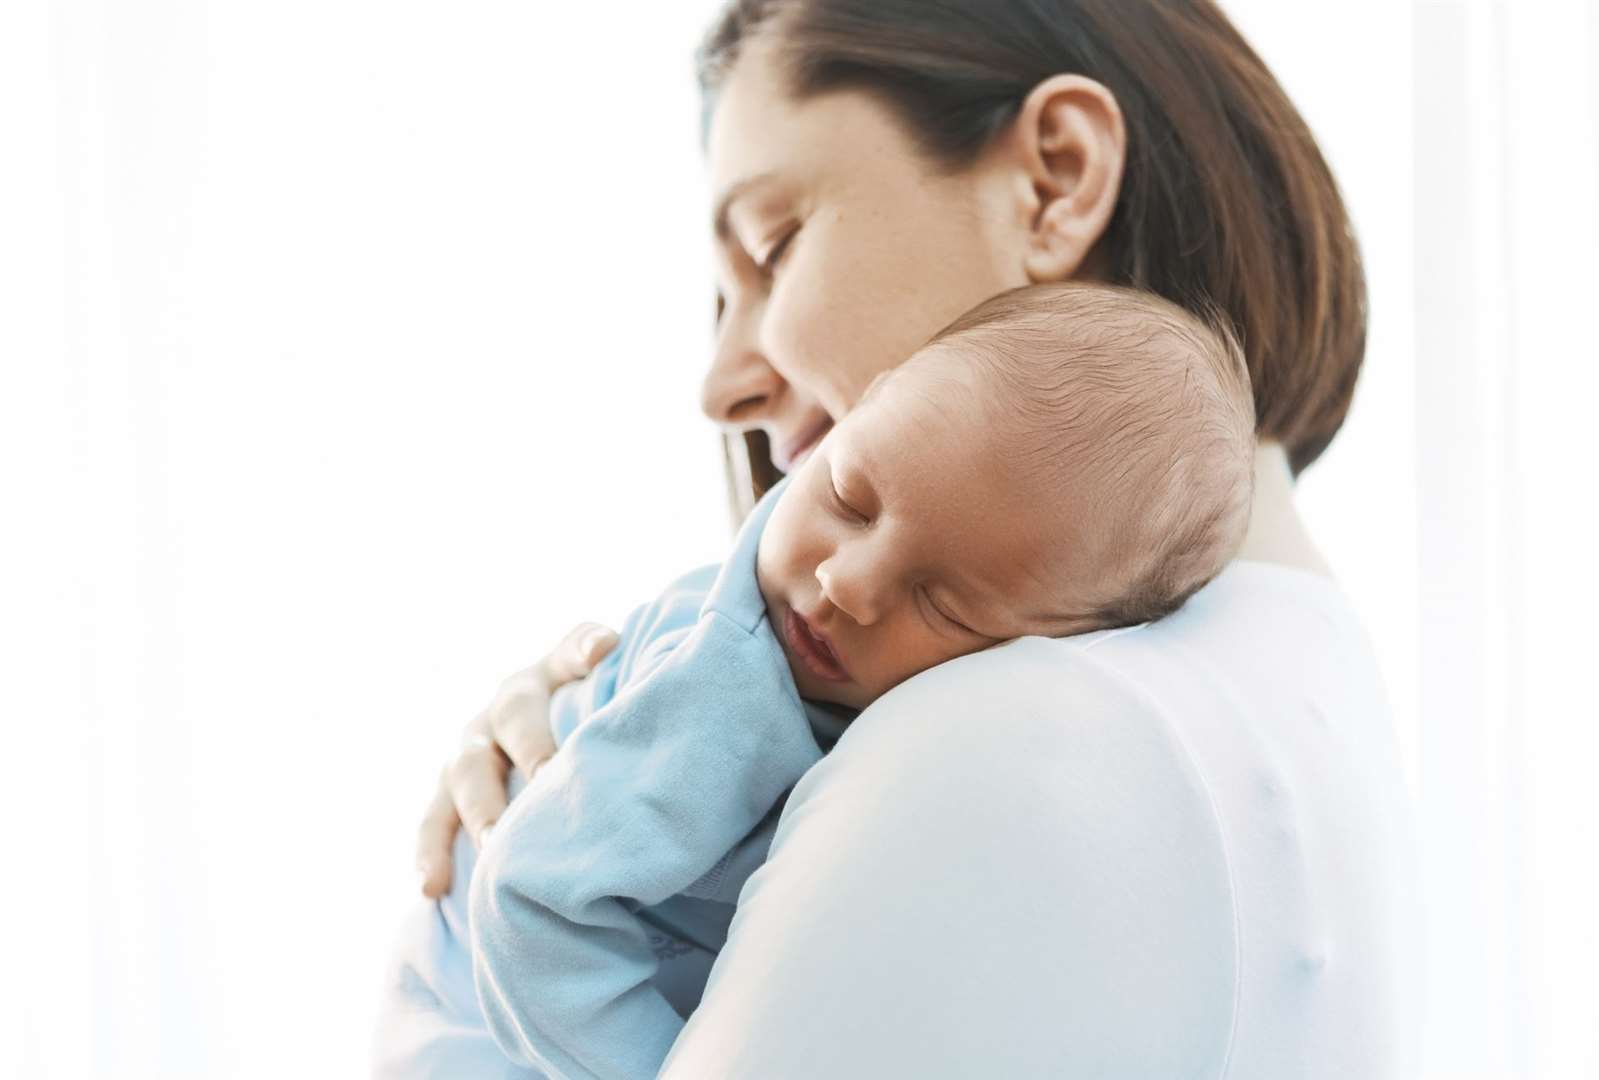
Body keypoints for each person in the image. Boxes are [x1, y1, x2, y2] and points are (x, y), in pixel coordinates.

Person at [383, 1, 1422, 1076]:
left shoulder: (1006, 736)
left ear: (1053, 177)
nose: (721, 384)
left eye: (772, 246)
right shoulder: (1305, 674)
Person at [457, 282, 1255, 1080]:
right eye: (850, 500)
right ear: (853, 415)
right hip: (471, 1012)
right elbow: (530, 898)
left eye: (942, 602)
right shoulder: (723, 689)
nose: (847, 584)